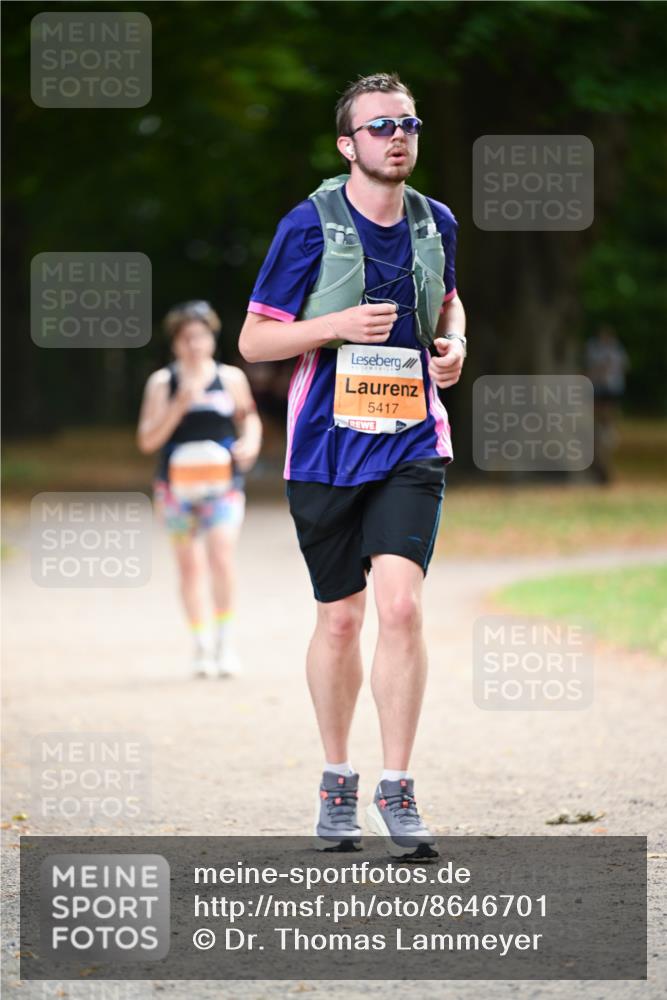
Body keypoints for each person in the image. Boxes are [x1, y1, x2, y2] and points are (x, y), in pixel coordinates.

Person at [239, 73, 466, 857]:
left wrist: (454, 346)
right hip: (325, 447)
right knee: (340, 618)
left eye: (408, 122)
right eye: (379, 126)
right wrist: (333, 323)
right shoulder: (307, 225)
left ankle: (397, 789)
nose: (398, 135)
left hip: (410, 440)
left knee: (400, 608)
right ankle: (337, 778)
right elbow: (255, 342)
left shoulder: (435, 222)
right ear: (348, 144)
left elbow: (448, 304)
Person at [137, 301, 262, 677]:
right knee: (189, 568)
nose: (194, 344)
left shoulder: (231, 379)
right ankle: (201, 644)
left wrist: (251, 444)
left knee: (221, 558)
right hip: (175, 491)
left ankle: (225, 642)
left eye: (201, 336)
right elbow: (147, 440)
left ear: (212, 338)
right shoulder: (163, 382)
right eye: (186, 338)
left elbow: (249, 419)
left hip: (223, 488)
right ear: (175, 343)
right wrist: (178, 405)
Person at [585, 325, 629, 483]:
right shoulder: (593, 348)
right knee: (598, 408)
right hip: (598, 386)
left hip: (612, 385)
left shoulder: (616, 349)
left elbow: (623, 366)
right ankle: (600, 429)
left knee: (609, 409)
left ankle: (608, 430)